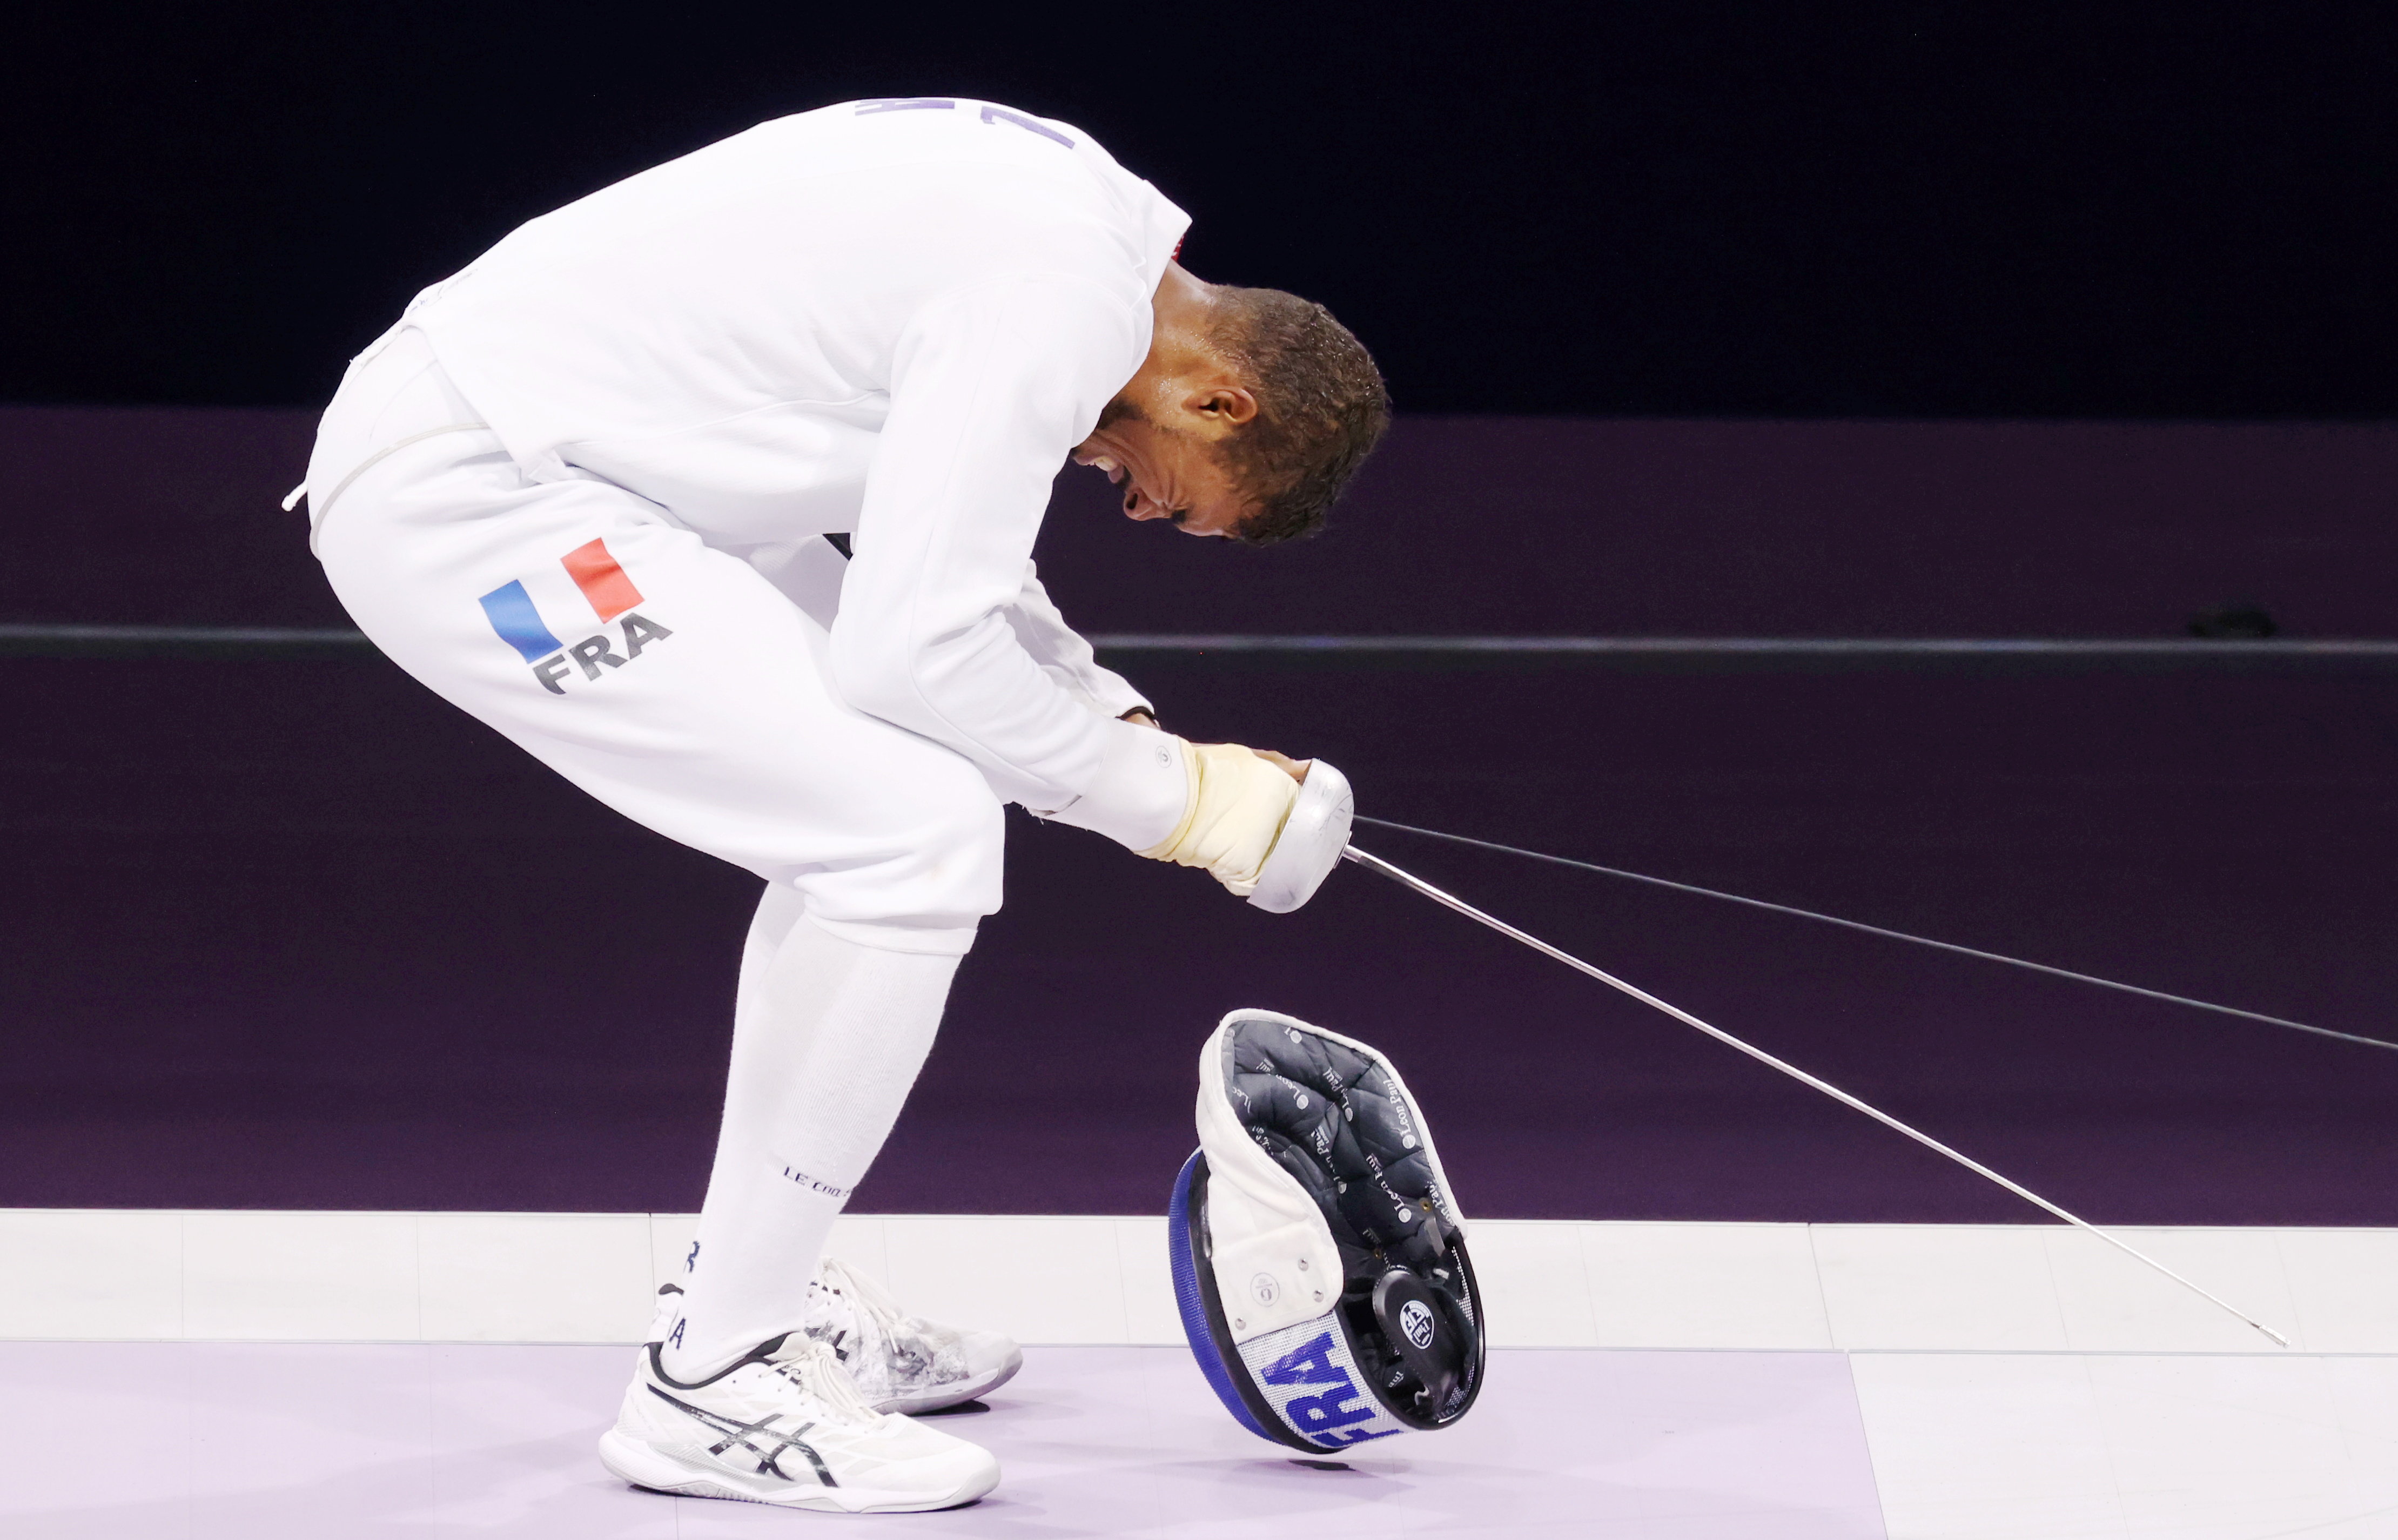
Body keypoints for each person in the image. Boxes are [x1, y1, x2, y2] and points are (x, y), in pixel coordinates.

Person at [297, 96, 1388, 1513]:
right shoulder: (1059, 297)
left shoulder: (1090, 239)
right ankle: (715, 1380)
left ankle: (753, 1290)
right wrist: (1182, 808)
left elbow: (951, 563)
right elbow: (916, 645)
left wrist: (1124, 725)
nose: (1131, 504)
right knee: (908, 834)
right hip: (478, 497)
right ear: (1222, 399)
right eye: (1177, 503)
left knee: (883, 821)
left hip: (606, 477)